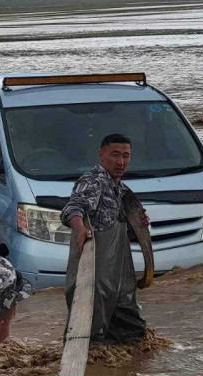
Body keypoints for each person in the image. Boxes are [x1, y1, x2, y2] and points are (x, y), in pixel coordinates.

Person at [60, 133, 148, 344]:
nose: (121, 162)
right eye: (115, 155)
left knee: (135, 339)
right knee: (89, 342)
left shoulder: (123, 191)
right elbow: (73, 207)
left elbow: (120, 233)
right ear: (101, 156)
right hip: (93, 284)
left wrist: (139, 225)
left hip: (119, 288)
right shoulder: (93, 181)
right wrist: (80, 227)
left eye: (126, 156)